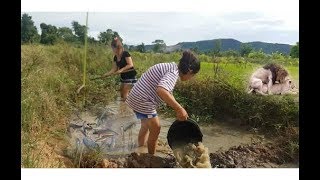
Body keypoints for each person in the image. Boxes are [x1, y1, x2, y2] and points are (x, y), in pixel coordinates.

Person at [125, 50, 200, 154]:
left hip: (135, 97)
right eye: (193, 75)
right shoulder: (173, 73)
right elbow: (162, 90)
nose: (191, 78)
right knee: (156, 128)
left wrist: (177, 108)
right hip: (143, 99)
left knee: (146, 125)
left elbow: (168, 92)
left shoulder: (171, 67)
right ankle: (151, 157)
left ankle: (140, 148)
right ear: (190, 71)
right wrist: (179, 108)